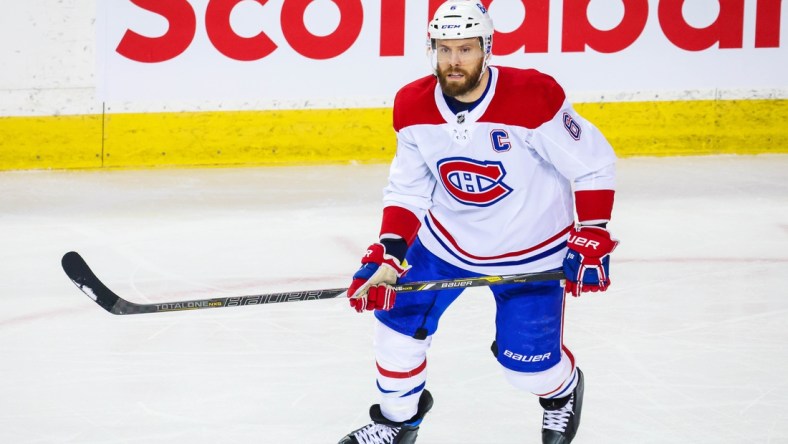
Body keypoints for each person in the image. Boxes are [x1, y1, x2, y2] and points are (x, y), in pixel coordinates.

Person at [338, 1, 618, 443]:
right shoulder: (412, 105)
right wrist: (390, 253)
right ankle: (397, 422)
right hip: (443, 245)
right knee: (395, 334)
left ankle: (561, 393)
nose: (453, 61)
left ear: (486, 47)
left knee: (527, 370)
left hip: (532, 252)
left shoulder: (532, 96)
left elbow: (593, 165)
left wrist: (594, 232)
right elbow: (409, 190)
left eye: (465, 49)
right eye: (444, 49)